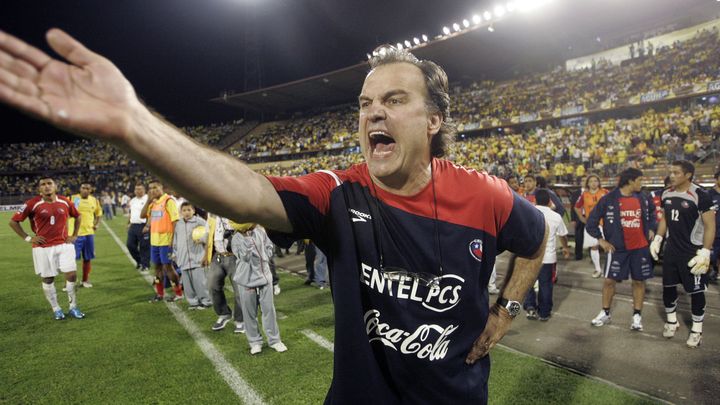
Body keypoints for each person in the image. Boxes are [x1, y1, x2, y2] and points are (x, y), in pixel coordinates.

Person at [0, 34, 547, 404]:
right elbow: (245, 194)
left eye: (395, 99)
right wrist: (133, 124)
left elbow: (536, 235)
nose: (373, 112)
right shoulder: (339, 191)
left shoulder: (484, 195)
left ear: (433, 120)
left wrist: (507, 310)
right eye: (364, 102)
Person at [650, 161, 716, 348]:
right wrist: (658, 238)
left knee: (696, 292)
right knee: (668, 288)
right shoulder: (666, 193)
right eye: (671, 171)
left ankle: (696, 330)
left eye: (676, 172)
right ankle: (672, 322)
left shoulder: (700, 195)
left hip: (692, 251)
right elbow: (665, 218)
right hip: (671, 251)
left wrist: (705, 251)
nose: (672, 175)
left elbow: (710, 226)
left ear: (688, 175)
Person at [586, 168, 656, 331]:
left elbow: (653, 214)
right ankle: (605, 313)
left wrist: (651, 227)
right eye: (639, 180)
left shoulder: (643, 198)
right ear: (630, 181)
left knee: (639, 281)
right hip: (618, 249)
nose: (641, 183)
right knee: (609, 281)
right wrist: (601, 240)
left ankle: (637, 316)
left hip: (640, 248)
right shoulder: (609, 199)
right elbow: (591, 222)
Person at [8, 176, 86, 320]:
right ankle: (56, 308)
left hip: (64, 245)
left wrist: (74, 235)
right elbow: (13, 222)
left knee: (71, 275)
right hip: (43, 248)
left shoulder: (65, 201)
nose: (46, 186)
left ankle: (73, 306)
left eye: (49, 183)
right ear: (39, 189)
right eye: (43, 184)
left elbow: (78, 216)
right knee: (48, 279)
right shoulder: (32, 203)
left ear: (55, 186)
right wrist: (28, 238)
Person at [231, 224, 288, 354]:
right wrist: (247, 239)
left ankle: (274, 340)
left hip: (265, 276)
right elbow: (244, 257)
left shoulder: (260, 231)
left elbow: (269, 246)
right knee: (249, 312)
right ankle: (255, 342)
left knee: (269, 309)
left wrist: (266, 256)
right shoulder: (236, 238)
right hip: (246, 279)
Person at [524, 189, 569, 321]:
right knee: (546, 285)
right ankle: (544, 312)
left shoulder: (528, 213)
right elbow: (563, 235)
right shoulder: (555, 216)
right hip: (548, 257)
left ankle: (530, 308)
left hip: (530, 255)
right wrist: (565, 248)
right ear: (550, 201)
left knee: (529, 284)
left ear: (535, 200)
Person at [142, 181, 182, 302]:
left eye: (155, 187)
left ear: (162, 188)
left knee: (168, 267)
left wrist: (172, 240)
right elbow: (143, 215)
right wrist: (148, 200)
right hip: (155, 241)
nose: (152, 190)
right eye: (150, 188)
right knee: (157, 268)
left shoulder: (169, 201)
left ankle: (179, 293)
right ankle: (160, 294)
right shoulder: (152, 203)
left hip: (166, 241)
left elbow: (175, 221)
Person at [206, 214, 245, 333]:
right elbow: (209, 235)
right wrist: (206, 254)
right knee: (212, 286)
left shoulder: (233, 211)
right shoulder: (211, 215)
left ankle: (240, 320)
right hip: (218, 255)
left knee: (239, 290)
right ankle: (223, 314)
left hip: (235, 256)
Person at [173, 202, 212, 309]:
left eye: (189, 210)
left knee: (200, 282)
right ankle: (193, 302)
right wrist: (174, 252)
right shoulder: (178, 224)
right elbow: (176, 240)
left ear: (194, 211)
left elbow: (209, 233)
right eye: (184, 210)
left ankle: (206, 301)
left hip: (197, 257)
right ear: (181, 212)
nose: (186, 212)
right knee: (187, 284)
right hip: (183, 258)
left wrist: (202, 239)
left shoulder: (199, 221)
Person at [574, 174, 609, 278]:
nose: (593, 183)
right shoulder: (584, 195)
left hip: (606, 223)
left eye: (595, 181)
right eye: (591, 181)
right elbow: (576, 207)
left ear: (599, 182)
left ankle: (609, 269)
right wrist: (581, 218)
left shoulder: (605, 192)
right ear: (588, 183)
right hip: (592, 224)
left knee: (608, 246)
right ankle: (598, 269)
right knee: (594, 247)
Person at [68, 182, 102, 287]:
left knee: (87, 258)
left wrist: (97, 224)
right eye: (83, 188)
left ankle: (85, 280)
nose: (85, 190)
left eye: (87, 188)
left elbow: (99, 214)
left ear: (90, 190)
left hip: (89, 233)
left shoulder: (94, 200)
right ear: (80, 188)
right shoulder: (71, 199)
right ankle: (70, 282)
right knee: (71, 260)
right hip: (74, 234)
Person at [127, 183, 150, 271]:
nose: (138, 191)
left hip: (143, 225)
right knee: (130, 245)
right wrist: (128, 223)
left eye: (140, 189)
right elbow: (131, 213)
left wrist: (147, 225)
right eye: (136, 189)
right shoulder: (133, 200)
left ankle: (145, 265)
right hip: (133, 225)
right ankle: (139, 261)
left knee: (144, 247)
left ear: (144, 190)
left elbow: (151, 213)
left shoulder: (148, 199)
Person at [707, 171, 720, 282]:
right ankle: (712, 270)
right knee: (712, 256)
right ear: (716, 179)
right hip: (713, 232)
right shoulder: (709, 195)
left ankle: (716, 272)